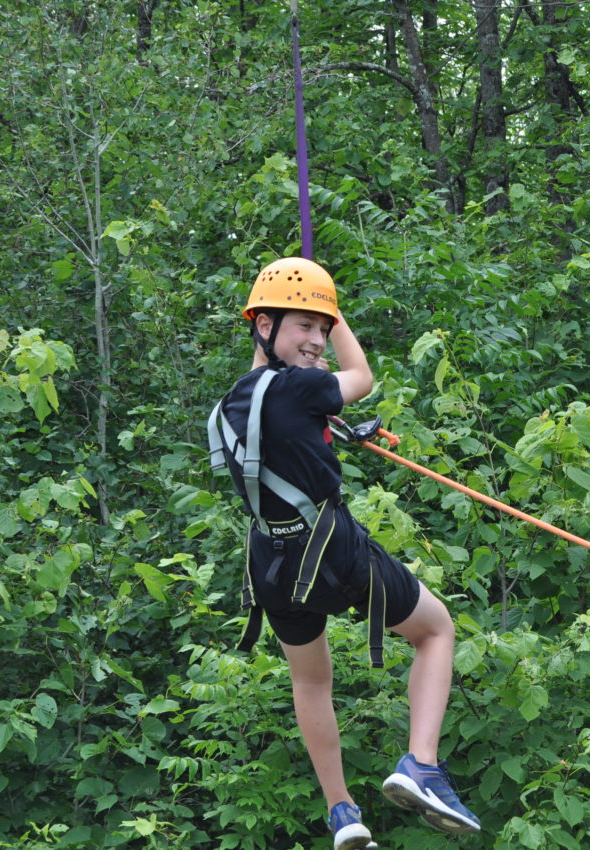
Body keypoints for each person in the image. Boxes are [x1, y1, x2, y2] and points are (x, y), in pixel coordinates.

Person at [207, 257, 481, 850]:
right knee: (436, 631)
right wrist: (339, 314)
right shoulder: (302, 388)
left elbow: (289, 435)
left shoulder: (230, 405)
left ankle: (342, 812)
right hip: (332, 552)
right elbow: (360, 376)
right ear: (263, 326)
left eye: (323, 329)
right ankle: (422, 766)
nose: (317, 340)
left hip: (270, 566)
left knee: (310, 682)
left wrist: (332, 424)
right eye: (304, 325)